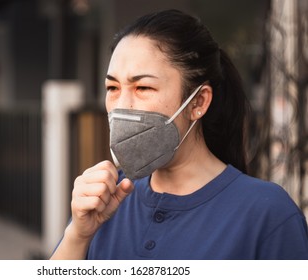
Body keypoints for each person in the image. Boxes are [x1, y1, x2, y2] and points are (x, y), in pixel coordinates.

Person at [50, 9, 308, 260]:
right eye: (112, 87)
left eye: (143, 87)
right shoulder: (105, 199)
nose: (120, 106)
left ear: (198, 103)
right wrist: (78, 235)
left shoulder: (267, 213)